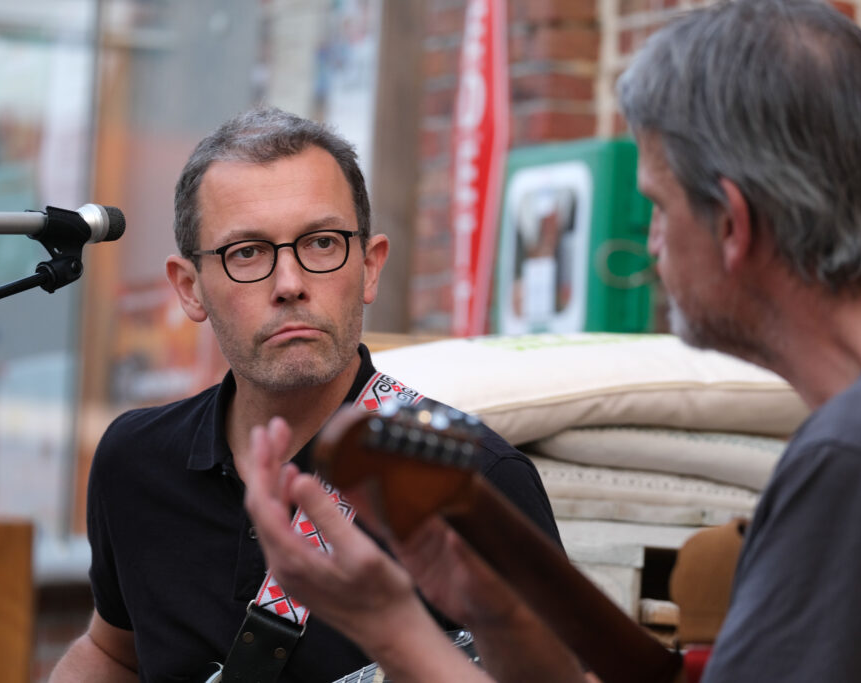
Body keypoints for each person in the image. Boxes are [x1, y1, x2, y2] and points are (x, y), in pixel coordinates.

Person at [242, 1, 861, 681]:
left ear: (732, 223)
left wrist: (390, 625)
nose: (650, 248)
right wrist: (495, 608)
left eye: (659, 207)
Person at [49, 107, 562, 682]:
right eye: (247, 252)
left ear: (369, 267)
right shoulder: (134, 461)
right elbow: (113, 652)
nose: (290, 284)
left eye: (321, 243)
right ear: (190, 289)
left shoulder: (476, 482)